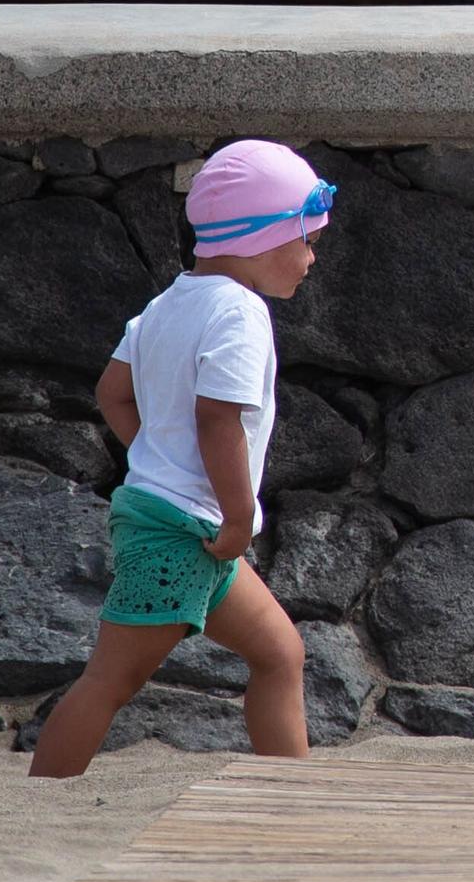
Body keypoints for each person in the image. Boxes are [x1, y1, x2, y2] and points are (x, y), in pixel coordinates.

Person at [28, 140, 334, 778]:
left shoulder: (168, 303)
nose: (310, 258)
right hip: (189, 532)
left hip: (182, 523)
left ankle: (297, 797)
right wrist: (236, 516)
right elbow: (219, 419)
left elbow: (112, 391)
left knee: (281, 654)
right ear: (260, 236)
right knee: (109, 682)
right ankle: (41, 797)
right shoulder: (240, 314)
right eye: (305, 239)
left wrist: (153, 455)